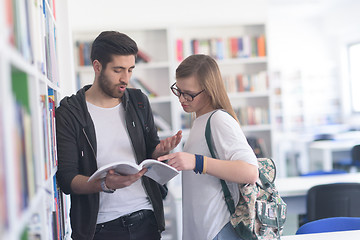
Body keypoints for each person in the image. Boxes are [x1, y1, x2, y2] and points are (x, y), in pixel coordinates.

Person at [56, 31, 182, 240]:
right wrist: (105, 184)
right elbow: (67, 179)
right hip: (100, 228)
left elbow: (149, 151)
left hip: (147, 220)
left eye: (131, 70)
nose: (126, 79)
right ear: (97, 67)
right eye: (118, 70)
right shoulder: (70, 113)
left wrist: (159, 151)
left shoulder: (139, 101)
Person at [158, 54, 259, 240]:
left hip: (217, 229)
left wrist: (196, 161)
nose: (182, 98)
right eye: (178, 90)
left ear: (209, 90)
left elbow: (250, 172)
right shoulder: (201, 120)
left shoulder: (219, 120)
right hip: (205, 230)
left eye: (189, 93)